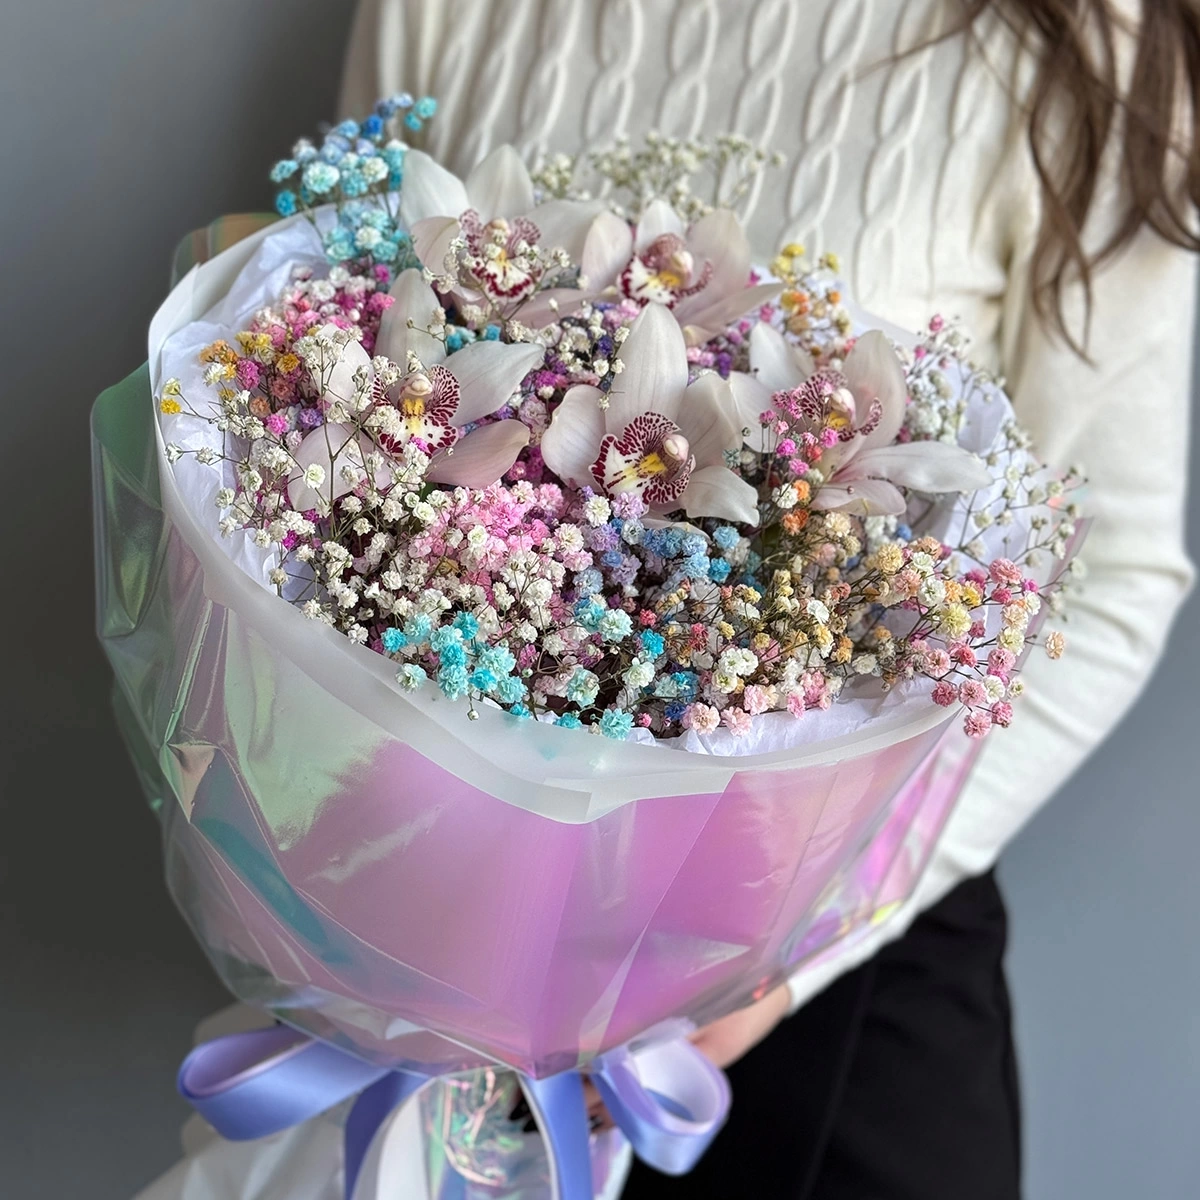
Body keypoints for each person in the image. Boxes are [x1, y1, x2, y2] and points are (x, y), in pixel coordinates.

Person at [339, 0, 1198, 1196]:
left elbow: (1108, 578)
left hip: (821, 992)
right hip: (443, 940)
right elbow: (344, 381)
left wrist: (772, 957)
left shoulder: (1084, 49)